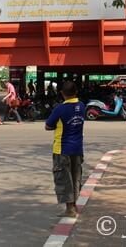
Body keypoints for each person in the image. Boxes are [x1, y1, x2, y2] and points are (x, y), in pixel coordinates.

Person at [45, 81, 85, 218]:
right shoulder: (82, 106)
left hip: (62, 148)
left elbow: (48, 126)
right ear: (76, 92)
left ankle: (70, 209)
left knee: (63, 178)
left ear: (62, 93)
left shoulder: (60, 109)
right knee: (76, 177)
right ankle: (74, 205)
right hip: (78, 148)